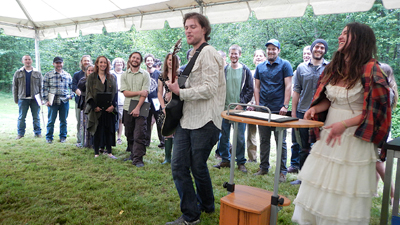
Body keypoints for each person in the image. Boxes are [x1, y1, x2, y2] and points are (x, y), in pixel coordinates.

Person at [292, 22, 392, 224]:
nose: (340, 36)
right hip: (331, 130)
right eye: (341, 32)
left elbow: (375, 112)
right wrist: (315, 109)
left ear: (359, 39)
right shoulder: (335, 67)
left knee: (344, 186)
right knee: (321, 181)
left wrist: (344, 125)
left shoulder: (373, 70)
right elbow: (331, 98)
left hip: (355, 136)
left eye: (346, 33)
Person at [165, 12, 225, 225]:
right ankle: (205, 206)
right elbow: (192, 86)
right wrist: (174, 90)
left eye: (193, 27)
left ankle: (191, 216)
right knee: (182, 165)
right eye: (186, 27)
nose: (188, 30)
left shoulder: (208, 53)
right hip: (187, 118)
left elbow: (209, 89)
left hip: (205, 120)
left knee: (193, 165)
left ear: (204, 30)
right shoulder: (193, 54)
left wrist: (180, 93)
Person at [288, 39, 329, 185]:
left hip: (322, 114)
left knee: (320, 147)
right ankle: (303, 178)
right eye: (316, 46)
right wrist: (293, 113)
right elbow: (296, 90)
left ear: (325, 51)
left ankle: (319, 179)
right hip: (302, 112)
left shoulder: (329, 68)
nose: (319, 49)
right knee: (303, 147)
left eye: (322, 47)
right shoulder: (301, 68)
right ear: (311, 49)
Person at [254, 39, 293, 183]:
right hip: (264, 110)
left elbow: (288, 86)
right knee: (264, 140)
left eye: (273, 49)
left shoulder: (285, 65)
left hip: (279, 111)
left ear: (278, 50)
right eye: (269, 49)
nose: (271, 51)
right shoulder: (260, 67)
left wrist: (285, 105)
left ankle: (282, 171)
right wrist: (258, 106)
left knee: (280, 142)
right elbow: (256, 87)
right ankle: (263, 167)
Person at [213, 44, 253, 173]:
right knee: (223, 137)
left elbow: (249, 89)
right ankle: (225, 159)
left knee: (240, 137)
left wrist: (242, 103)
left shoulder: (246, 71)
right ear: (229, 55)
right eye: (231, 53)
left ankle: (241, 162)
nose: (234, 55)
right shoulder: (224, 70)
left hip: (240, 111)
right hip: (225, 109)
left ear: (240, 55)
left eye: (236, 53)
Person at [120, 52, 150, 167]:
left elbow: (145, 93)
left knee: (139, 133)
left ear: (140, 61)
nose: (135, 60)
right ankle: (132, 154)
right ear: (129, 59)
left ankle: (138, 159)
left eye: (138, 58)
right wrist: (138, 92)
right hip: (127, 106)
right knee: (129, 132)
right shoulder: (124, 75)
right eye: (133, 57)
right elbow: (126, 93)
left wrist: (138, 108)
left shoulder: (145, 74)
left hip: (142, 106)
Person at [85, 56, 118, 158]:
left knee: (108, 130)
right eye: (101, 62)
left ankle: (109, 152)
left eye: (105, 63)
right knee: (97, 130)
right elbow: (88, 93)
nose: (103, 64)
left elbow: (115, 93)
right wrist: (94, 106)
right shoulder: (92, 77)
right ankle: (96, 153)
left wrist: (113, 106)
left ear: (107, 65)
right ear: (97, 64)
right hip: (96, 109)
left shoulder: (112, 77)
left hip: (108, 109)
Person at [375, 63, 397, 203]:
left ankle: (394, 195)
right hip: (380, 131)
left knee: (378, 164)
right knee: (374, 163)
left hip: (379, 132)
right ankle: (374, 191)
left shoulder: (386, 91)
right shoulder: (387, 90)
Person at [42, 57, 72, 144]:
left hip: (64, 101)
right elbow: (44, 88)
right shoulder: (48, 75)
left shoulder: (67, 75)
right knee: (51, 120)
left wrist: (71, 95)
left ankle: (63, 137)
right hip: (52, 102)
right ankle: (49, 137)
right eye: (57, 63)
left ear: (63, 63)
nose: (59, 64)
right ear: (53, 64)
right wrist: (45, 100)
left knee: (63, 120)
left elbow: (72, 87)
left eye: (60, 63)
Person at [13, 55, 43, 139]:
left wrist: (41, 99)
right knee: (21, 117)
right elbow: (14, 87)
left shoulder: (38, 73)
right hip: (22, 98)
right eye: (25, 59)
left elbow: (41, 87)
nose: (27, 61)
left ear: (31, 61)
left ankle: (37, 133)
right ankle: (20, 133)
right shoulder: (18, 72)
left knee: (36, 117)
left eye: (29, 59)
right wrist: (16, 99)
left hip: (35, 99)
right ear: (23, 61)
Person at [157, 53, 180, 164]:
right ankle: (167, 158)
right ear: (166, 61)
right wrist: (163, 107)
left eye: (173, 60)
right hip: (166, 106)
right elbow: (159, 93)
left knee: (178, 131)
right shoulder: (162, 75)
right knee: (167, 131)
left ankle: (177, 157)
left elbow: (183, 90)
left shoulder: (180, 75)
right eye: (169, 60)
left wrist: (173, 93)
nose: (171, 62)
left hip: (178, 105)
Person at [246, 49, 266, 163]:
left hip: (263, 107)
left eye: (261, 56)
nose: (258, 57)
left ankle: (264, 159)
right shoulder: (250, 72)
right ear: (253, 59)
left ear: (265, 58)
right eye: (256, 56)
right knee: (251, 133)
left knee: (264, 134)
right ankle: (252, 157)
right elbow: (248, 90)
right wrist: (250, 104)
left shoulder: (266, 71)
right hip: (250, 106)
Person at [144, 53, 165, 149]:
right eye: (147, 60)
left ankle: (162, 142)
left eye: (151, 60)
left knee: (159, 121)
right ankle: (146, 141)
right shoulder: (143, 74)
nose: (149, 62)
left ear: (153, 61)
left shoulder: (158, 74)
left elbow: (163, 88)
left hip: (156, 100)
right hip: (145, 101)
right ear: (145, 62)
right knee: (146, 122)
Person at [72, 55, 92, 147]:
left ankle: (90, 141)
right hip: (80, 101)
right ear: (81, 62)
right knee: (80, 121)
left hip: (90, 102)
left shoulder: (93, 73)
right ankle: (80, 140)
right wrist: (80, 93)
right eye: (84, 61)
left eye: (88, 60)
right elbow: (74, 86)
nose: (86, 62)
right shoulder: (77, 74)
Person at [77, 64, 94, 148]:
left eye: (92, 70)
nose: (90, 72)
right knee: (84, 124)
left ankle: (93, 143)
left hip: (94, 105)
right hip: (85, 105)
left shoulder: (98, 80)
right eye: (89, 70)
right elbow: (82, 87)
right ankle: (85, 143)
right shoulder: (82, 80)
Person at [110, 57, 126, 145]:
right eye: (117, 62)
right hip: (113, 99)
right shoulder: (111, 73)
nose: (119, 64)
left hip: (122, 99)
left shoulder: (125, 74)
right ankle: (112, 136)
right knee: (113, 119)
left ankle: (119, 137)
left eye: (121, 62)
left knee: (120, 119)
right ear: (114, 64)